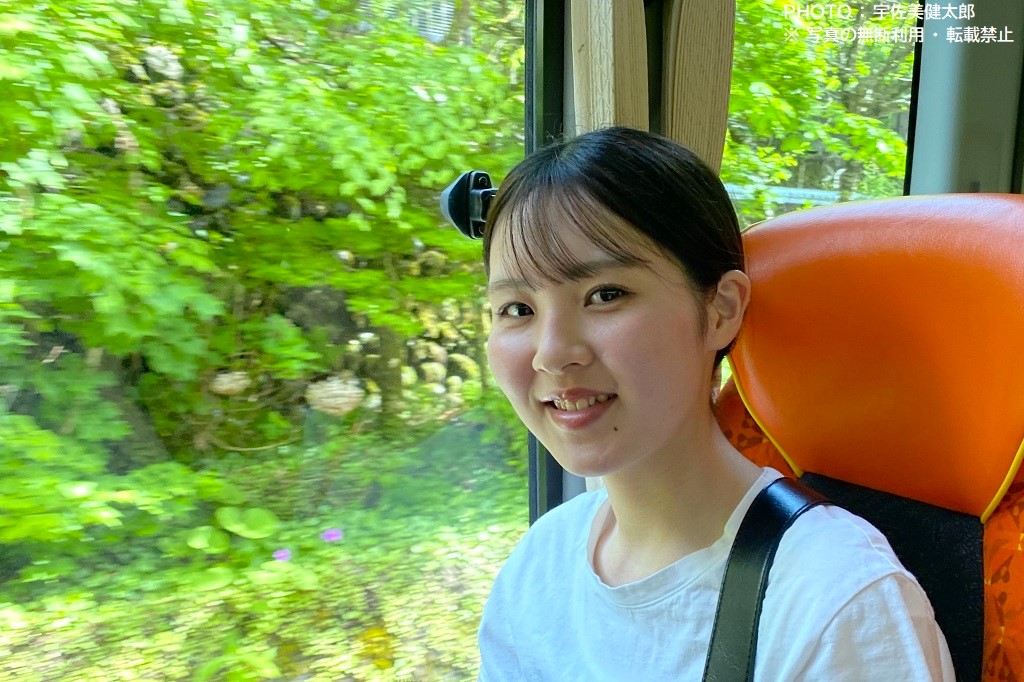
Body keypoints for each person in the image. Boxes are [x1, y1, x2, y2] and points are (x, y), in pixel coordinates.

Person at [476, 127, 955, 680]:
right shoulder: (541, 565)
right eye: (516, 309)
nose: (553, 354)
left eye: (605, 295)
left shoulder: (833, 601)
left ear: (721, 310)